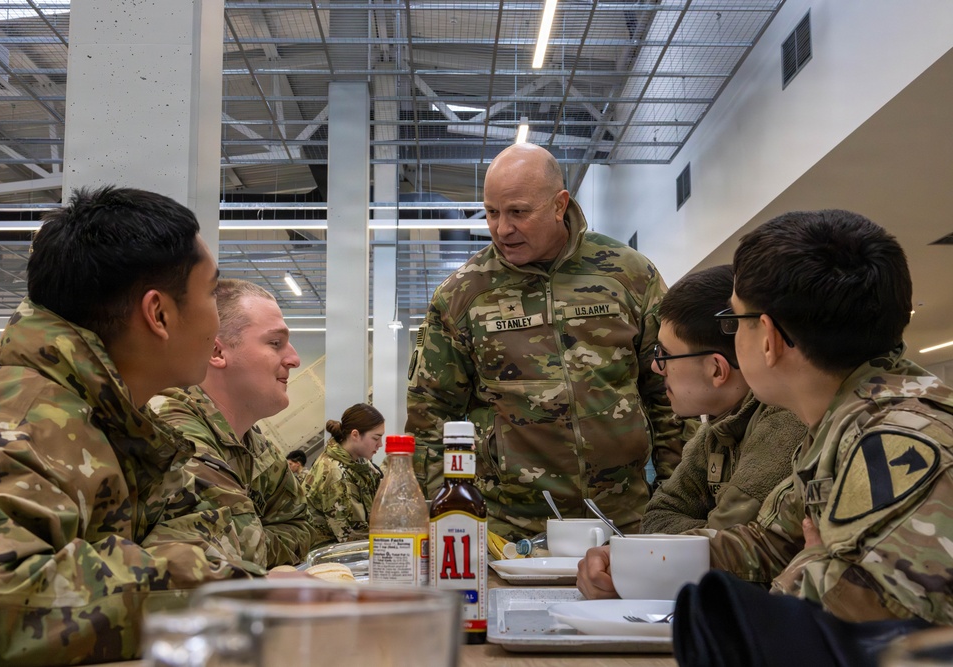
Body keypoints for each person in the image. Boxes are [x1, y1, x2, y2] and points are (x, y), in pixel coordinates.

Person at [579, 209, 953, 627]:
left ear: (769, 339)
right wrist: (637, 562)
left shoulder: (895, 441)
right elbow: (768, 544)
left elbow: (901, 624)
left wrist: (809, 565)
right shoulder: (845, 421)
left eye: (733, 321)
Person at [0, 186, 257, 665]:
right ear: (159, 314)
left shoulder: (116, 423)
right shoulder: (22, 422)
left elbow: (206, 528)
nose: (216, 326)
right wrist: (227, 593)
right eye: (211, 294)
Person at [406, 142, 689, 538]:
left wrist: (676, 501)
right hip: (509, 527)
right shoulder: (462, 295)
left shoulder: (628, 274)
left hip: (625, 519)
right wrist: (445, 517)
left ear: (559, 205)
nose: (502, 228)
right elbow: (430, 416)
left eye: (518, 212)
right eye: (492, 212)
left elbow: (670, 390)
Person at [150, 279, 313, 568]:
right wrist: (254, 545)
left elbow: (303, 527)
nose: (294, 359)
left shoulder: (253, 443)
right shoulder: (175, 430)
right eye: (275, 343)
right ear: (217, 353)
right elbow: (218, 558)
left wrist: (253, 543)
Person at [641, 264, 804, 534]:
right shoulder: (720, 427)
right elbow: (657, 517)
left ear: (717, 370)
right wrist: (707, 530)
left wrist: (705, 531)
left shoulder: (786, 421)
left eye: (665, 354)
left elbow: (728, 536)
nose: (656, 367)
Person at [304, 403, 385, 547]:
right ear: (355, 435)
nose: (380, 444)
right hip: (327, 549)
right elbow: (351, 539)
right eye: (376, 438)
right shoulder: (335, 473)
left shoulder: (360, 463)